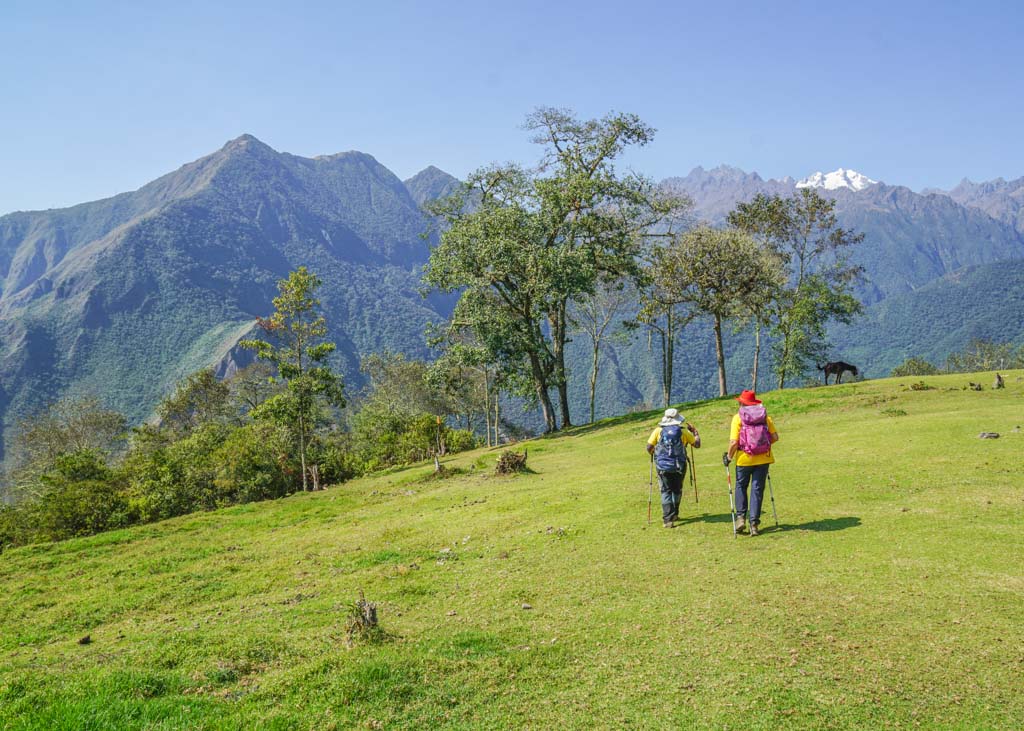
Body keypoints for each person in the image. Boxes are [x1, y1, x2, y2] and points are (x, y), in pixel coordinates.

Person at [724, 390, 779, 536]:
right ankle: (754, 524)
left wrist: (728, 457)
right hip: (763, 458)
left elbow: (734, 442)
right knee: (757, 489)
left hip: (744, 458)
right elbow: (775, 437)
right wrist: (762, 445)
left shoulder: (738, 418)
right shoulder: (765, 417)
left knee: (741, 486)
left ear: (741, 403)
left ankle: (741, 518)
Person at [646, 408, 701, 528]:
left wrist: (654, 454)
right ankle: (675, 513)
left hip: (662, 467)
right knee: (677, 489)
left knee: (665, 490)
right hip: (679, 466)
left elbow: (649, 447)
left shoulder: (658, 431)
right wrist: (695, 433)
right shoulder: (683, 432)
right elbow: (697, 445)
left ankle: (667, 520)